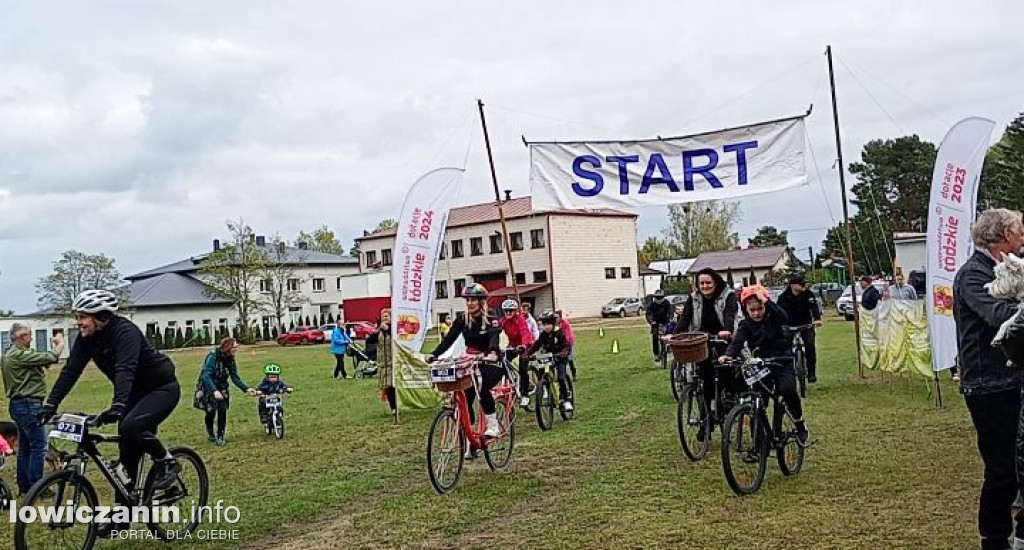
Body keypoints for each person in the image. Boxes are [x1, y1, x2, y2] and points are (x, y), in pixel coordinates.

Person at [39, 289, 183, 502]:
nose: (78, 322)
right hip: (134, 395)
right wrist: (50, 404)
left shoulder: (126, 332)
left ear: (100, 316)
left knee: (131, 427)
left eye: (83, 317)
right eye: (77, 317)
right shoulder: (87, 338)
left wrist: (118, 406)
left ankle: (167, 461)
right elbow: (71, 371)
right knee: (126, 457)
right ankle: (121, 519)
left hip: (161, 388)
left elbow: (126, 369)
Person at [953, 208, 1024, 549]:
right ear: (1001, 237)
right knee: (1002, 469)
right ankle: (994, 540)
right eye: (1019, 232)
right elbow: (998, 315)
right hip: (989, 386)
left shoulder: (1010, 268)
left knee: (1021, 465)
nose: (1023, 238)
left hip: (1014, 381)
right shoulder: (973, 274)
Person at [718, 285, 809, 445]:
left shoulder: (775, 317)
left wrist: (765, 301)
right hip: (761, 365)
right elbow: (737, 342)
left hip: (782, 361)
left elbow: (783, 316)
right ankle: (759, 443)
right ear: (745, 309)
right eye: (751, 310)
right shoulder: (745, 325)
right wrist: (728, 355)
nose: (756, 313)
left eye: (759, 309)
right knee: (757, 402)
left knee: (787, 390)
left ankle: (799, 422)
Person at [425, 283, 502, 438]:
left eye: (473, 300)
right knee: (465, 397)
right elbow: (449, 340)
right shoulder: (462, 319)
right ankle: (470, 436)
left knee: (481, 386)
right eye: (467, 300)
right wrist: (434, 354)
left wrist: (492, 352)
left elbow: (494, 336)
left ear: (481, 301)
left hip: (490, 363)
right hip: (470, 362)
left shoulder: (491, 317)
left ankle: (493, 426)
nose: (470, 303)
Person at [1, 322, 64, 495]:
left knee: (27, 447)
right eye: (29, 335)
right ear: (22, 337)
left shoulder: (10, 354)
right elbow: (51, 357)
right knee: (39, 446)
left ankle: (25, 485)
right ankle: (38, 487)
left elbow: (44, 361)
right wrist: (60, 344)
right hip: (29, 404)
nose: (32, 338)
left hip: (19, 405)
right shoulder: (18, 356)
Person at [674, 268, 738, 420]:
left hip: (723, 337)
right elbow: (685, 318)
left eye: (708, 282)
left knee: (725, 367)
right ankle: (705, 417)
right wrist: (674, 335)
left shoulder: (728, 295)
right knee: (704, 377)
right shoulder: (694, 297)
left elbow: (730, 315)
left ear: (715, 282)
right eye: (701, 283)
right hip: (702, 339)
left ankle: (729, 396)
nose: (705, 286)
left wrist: (727, 330)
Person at [196, 337, 256, 445]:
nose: (237, 349)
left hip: (222, 386)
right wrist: (214, 391)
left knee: (222, 409)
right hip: (208, 386)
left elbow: (235, 377)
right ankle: (210, 433)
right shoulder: (213, 356)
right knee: (210, 411)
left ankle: (220, 436)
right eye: (235, 346)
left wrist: (246, 389)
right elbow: (206, 376)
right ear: (228, 347)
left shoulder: (230, 359)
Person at [777, 273, 823, 383]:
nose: (804, 286)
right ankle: (788, 372)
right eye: (801, 284)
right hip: (789, 326)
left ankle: (811, 372)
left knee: (810, 345)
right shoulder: (783, 297)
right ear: (793, 285)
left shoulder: (808, 294)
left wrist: (817, 319)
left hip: (805, 325)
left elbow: (814, 307)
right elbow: (778, 313)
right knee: (785, 348)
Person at [526, 310, 573, 412]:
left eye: (549, 324)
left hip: (560, 358)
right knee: (543, 376)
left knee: (561, 378)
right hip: (548, 357)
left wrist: (563, 353)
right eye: (544, 324)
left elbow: (566, 345)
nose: (546, 327)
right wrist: (528, 353)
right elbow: (537, 344)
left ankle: (566, 400)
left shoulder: (558, 332)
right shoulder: (543, 335)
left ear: (553, 323)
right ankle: (546, 390)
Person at [497, 299, 535, 408]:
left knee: (523, 370)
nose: (508, 313)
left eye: (511, 310)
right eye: (506, 311)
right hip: (512, 346)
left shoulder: (520, 320)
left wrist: (523, 345)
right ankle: (511, 381)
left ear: (515, 311)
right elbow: (497, 333)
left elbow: (525, 333)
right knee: (503, 363)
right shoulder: (503, 321)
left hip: (525, 345)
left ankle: (525, 395)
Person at [366, 309, 397, 420]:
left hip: (393, 363)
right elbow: (370, 342)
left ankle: (397, 406)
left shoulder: (394, 330)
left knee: (394, 386)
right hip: (383, 364)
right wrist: (377, 331)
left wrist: (388, 330)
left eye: (387, 316)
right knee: (387, 387)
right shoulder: (379, 330)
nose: (385, 318)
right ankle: (393, 408)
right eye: (383, 316)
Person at [647, 290, 673, 361]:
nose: (659, 299)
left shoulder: (666, 303)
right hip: (655, 323)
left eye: (660, 297)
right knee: (655, 337)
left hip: (665, 321)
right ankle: (656, 354)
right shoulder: (652, 304)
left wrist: (670, 318)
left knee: (669, 333)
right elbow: (649, 314)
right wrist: (651, 321)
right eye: (657, 297)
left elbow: (670, 311)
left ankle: (669, 346)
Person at [555, 310, 577, 380]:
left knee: (570, 358)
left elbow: (567, 334)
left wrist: (567, 344)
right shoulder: (554, 324)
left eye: (557, 317)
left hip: (569, 341)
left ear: (560, 317)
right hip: (560, 342)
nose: (555, 319)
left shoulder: (565, 323)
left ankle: (574, 374)